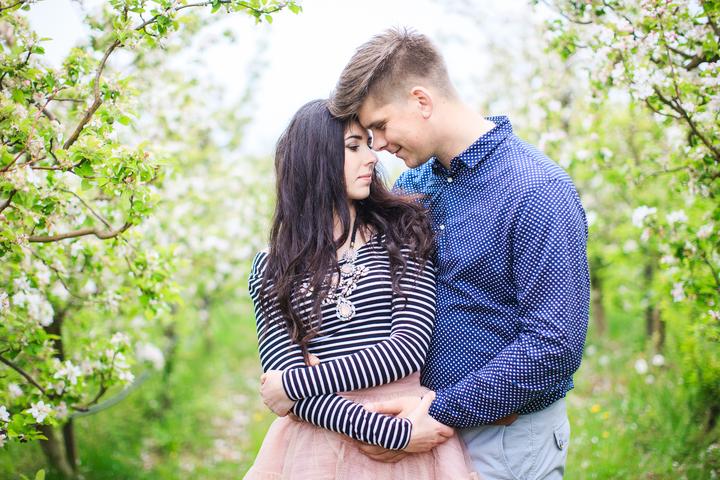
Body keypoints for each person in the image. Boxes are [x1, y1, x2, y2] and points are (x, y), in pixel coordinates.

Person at [327, 28, 590, 479]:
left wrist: (440, 410)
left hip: (504, 441)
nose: (379, 144)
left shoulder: (537, 190)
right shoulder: (413, 186)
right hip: (418, 432)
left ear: (421, 101)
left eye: (381, 126)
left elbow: (554, 345)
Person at [244, 99, 477, 479]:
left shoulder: (402, 236)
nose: (371, 157)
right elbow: (285, 394)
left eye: (369, 145)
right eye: (354, 147)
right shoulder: (273, 267)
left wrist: (298, 384)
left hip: (404, 426)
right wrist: (386, 432)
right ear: (315, 160)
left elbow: (407, 349)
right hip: (319, 445)